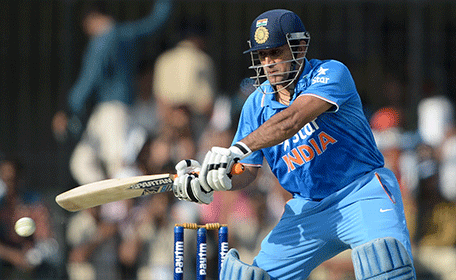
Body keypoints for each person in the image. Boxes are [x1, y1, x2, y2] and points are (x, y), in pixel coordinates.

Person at [173, 9, 416, 280]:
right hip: (307, 208)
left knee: (387, 265)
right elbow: (248, 170)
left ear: (299, 47)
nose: (268, 63)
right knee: (249, 277)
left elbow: (292, 119)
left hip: (361, 191)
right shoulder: (256, 105)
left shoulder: (331, 73)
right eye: (262, 55)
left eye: (275, 52)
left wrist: (236, 149)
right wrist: (213, 179)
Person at [52, 0, 172, 185]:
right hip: (110, 110)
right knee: (82, 161)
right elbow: (155, 22)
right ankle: (105, 202)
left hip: (112, 111)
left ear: (92, 20)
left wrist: (69, 109)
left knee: (116, 164)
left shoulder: (104, 38)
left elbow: (89, 78)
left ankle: (118, 209)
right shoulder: (124, 34)